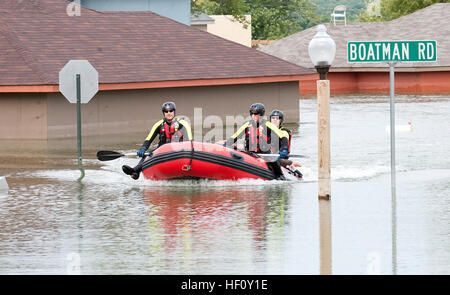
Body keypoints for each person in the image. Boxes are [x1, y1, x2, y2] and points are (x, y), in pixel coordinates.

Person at [122, 101, 192, 180]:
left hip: (178, 150)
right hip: (161, 151)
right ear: (163, 113)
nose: (169, 113)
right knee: (147, 155)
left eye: (171, 111)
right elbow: (149, 139)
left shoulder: (183, 123)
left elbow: (189, 140)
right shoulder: (158, 124)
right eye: (166, 111)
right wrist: (143, 149)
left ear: (174, 112)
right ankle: (135, 171)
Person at [224, 103, 290, 160]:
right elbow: (235, 136)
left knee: (275, 164)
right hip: (250, 155)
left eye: (256, 114)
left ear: (261, 115)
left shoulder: (268, 125)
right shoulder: (247, 125)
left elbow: (282, 137)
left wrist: (284, 149)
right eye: (252, 114)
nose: (253, 116)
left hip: (265, 155)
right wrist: (225, 145)